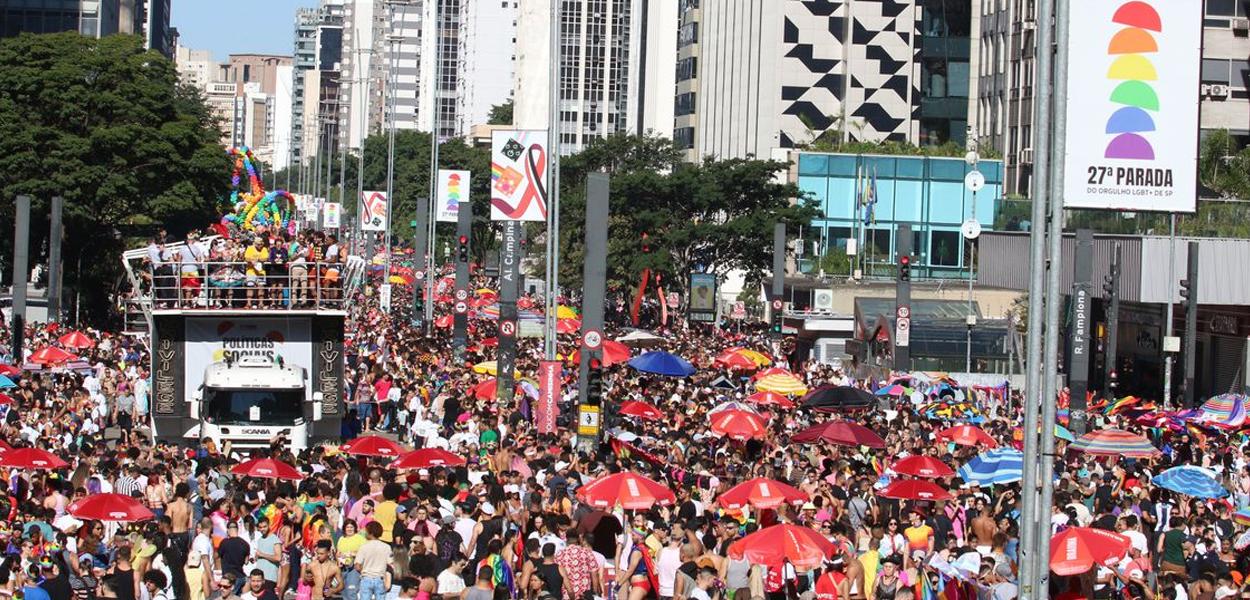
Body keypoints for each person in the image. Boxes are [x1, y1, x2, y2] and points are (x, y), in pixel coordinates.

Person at [355, 521, 392, 600]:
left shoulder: (364, 547)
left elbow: (357, 566)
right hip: (380, 578)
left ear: (370, 533)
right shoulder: (386, 547)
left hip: (366, 578)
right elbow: (390, 563)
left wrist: (364, 571)